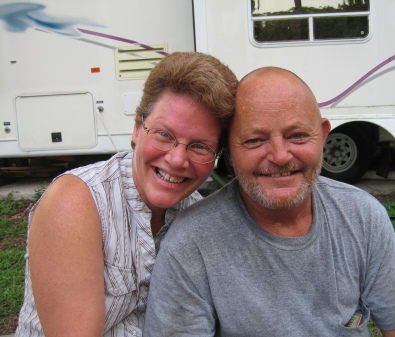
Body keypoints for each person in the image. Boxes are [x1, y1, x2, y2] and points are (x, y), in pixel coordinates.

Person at [144, 67, 395, 336]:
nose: (280, 156)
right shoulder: (191, 246)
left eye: (297, 135)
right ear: (229, 153)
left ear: (323, 136)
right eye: (254, 140)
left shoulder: (362, 217)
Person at [15, 52, 238, 337]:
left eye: (200, 146)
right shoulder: (77, 201)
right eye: (164, 134)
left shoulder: (198, 217)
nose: (177, 159)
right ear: (136, 127)